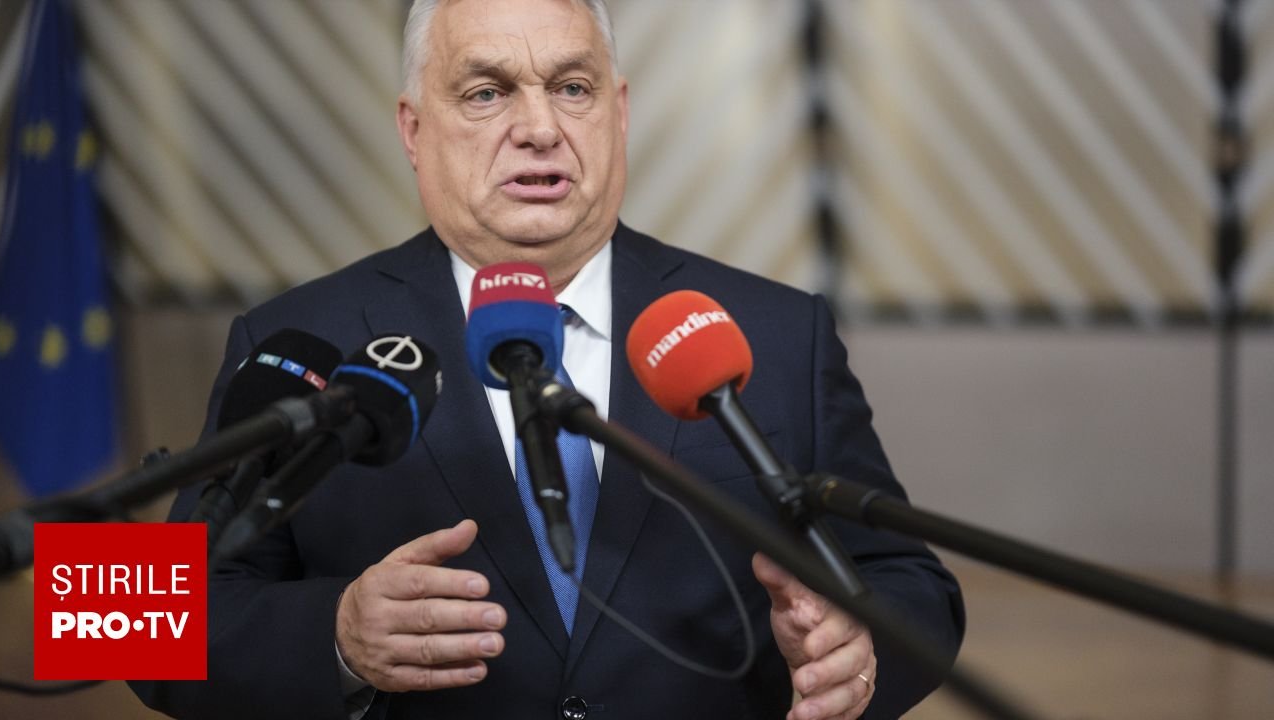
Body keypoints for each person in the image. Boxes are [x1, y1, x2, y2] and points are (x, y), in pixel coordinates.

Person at [132, 1, 963, 718]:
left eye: (571, 88)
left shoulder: (774, 332)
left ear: (618, 112)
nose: (538, 128)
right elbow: (135, 624)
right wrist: (338, 636)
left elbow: (909, 581)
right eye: (486, 93)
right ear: (414, 130)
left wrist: (858, 655)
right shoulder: (296, 339)